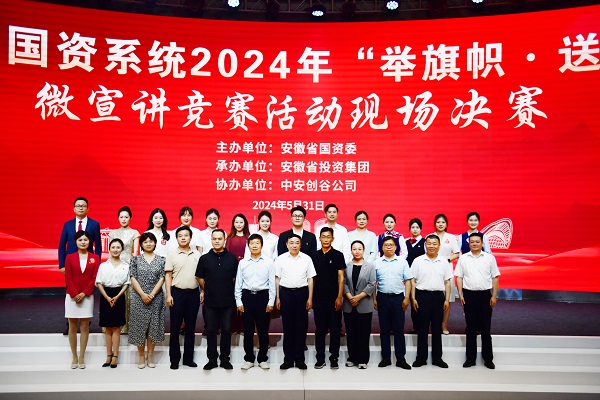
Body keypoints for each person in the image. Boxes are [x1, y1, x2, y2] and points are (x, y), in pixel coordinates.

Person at [455, 232, 500, 369]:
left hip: (485, 296)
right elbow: (459, 277)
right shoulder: (463, 258)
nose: (474, 244)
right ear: (469, 244)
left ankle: (488, 359)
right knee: (470, 328)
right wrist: (460, 294)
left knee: (486, 328)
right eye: (472, 242)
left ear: (482, 243)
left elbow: (495, 277)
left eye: (477, 242)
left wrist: (494, 296)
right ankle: (470, 359)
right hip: (468, 296)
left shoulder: (490, 258)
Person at [58, 197, 102, 335]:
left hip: (89, 263)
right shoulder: (67, 225)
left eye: (83, 205)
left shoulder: (94, 224)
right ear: (74, 208)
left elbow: (98, 246)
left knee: (87, 290)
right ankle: (70, 324)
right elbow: (61, 246)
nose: (81, 207)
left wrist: (97, 264)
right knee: (71, 290)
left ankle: (85, 321)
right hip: (71, 264)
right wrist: (61, 265)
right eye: (78, 205)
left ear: (88, 208)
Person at [196, 229, 239, 370]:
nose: (217, 241)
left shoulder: (232, 258)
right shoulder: (204, 258)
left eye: (220, 239)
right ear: (211, 240)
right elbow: (199, 277)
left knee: (226, 330)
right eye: (214, 239)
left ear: (224, 240)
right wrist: (207, 288)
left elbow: (235, 278)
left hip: (228, 301)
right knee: (211, 330)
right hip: (210, 301)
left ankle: (225, 359)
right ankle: (212, 360)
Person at [275, 234, 316, 370]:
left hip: (302, 294)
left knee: (301, 327)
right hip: (286, 294)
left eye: (297, 243)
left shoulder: (306, 259)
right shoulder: (280, 259)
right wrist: (278, 297)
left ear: (300, 245)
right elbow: (277, 279)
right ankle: (288, 359)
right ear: (287, 245)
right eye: (291, 243)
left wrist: (310, 298)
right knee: (287, 327)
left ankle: (299, 359)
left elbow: (310, 279)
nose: (294, 245)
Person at [234, 234, 276, 370]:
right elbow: (238, 283)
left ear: (261, 245)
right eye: (252, 243)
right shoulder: (243, 263)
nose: (254, 245)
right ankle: (249, 359)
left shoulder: (269, 262)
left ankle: (263, 358)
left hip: (263, 297)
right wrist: (239, 302)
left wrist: (271, 302)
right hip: (247, 297)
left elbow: (272, 284)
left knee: (263, 330)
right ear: (248, 246)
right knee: (248, 331)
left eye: (257, 243)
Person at [411, 234, 453, 368]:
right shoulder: (418, 261)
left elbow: (447, 282)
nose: (431, 246)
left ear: (439, 246)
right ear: (425, 245)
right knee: (422, 328)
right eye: (429, 243)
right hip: (421, 296)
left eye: (435, 244)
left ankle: (437, 358)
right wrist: (413, 298)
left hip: (438, 297)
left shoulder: (444, 262)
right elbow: (413, 281)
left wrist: (447, 299)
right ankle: (421, 358)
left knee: (437, 328)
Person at [373, 236, 412, 369]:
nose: (388, 247)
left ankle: (401, 359)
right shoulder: (377, 263)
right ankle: (386, 358)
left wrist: (406, 298)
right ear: (382, 248)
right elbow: (373, 283)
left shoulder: (402, 262)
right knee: (384, 330)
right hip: (382, 298)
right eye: (386, 245)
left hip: (398, 299)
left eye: (391, 245)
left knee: (399, 329)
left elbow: (408, 281)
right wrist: (374, 299)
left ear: (396, 247)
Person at [165, 226, 201, 369]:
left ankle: (188, 359)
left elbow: (201, 276)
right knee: (175, 327)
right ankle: (174, 360)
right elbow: (168, 276)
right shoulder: (172, 254)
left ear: (190, 238)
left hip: (193, 293)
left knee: (190, 328)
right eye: (180, 236)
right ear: (177, 238)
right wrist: (168, 294)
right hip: (177, 293)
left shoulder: (197, 254)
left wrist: (203, 291)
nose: (183, 238)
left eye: (186, 235)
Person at [64, 230, 100, 369]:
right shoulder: (70, 257)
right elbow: (68, 277)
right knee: (72, 327)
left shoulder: (95, 257)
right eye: (80, 240)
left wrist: (84, 293)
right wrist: (74, 294)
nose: (83, 242)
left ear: (89, 241)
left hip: (87, 296)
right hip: (72, 297)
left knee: (85, 326)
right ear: (75, 242)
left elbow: (94, 277)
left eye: (85, 240)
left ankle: (82, 357)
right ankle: (74, 356)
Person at [129, 232, 166, 369]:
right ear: (141, 244)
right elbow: (132, 277)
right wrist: (142, 294)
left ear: (155, 243)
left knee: (153, 327)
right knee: (139, 327)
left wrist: (151, 294)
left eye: (151, 241)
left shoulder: (162, 260)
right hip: (138, 297)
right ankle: (140, 356)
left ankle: (150, 355)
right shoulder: (135, 260)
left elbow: (162, 278)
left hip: (156, 298)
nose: (148, 244)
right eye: (145, 242)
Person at [311, 227, 345, 369]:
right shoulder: (314, 255)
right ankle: (320, 358)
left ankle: (334, 357)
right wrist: (310, 298)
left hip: (333, 299)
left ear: (332, 239)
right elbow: (311, 278)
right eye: (323, 236)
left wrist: (339, 297)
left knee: (335, 329)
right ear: (319, 239)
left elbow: (341, 278)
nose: (326, 239)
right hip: (318, 299)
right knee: (320, 329)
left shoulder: (338, 255)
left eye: (328, 236)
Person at [95, 238, 129, 369]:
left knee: (116, 328)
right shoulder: (103, 265)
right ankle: (108, 355)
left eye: (118, 247)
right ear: (109, 249)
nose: (115, 250)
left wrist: (117, 296)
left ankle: (115, 356)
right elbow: (99, 282)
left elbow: (127, 283)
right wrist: (108, 297)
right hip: (106, 296)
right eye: (113, 247)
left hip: (119, 295)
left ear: (122, 249)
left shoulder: (126, 266)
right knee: (107, 328)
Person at [343, 240, 376, 369]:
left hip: (364, 304)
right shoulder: (347, 266)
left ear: (363, 251)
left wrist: (358, 297)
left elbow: (372, 284)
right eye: (354, 249)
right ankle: (352, 358)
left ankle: (363, 360)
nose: (357, 251)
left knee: (363, 333)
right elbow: (343, 283)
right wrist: (350, 297)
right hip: (349, 304)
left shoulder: (370, 266)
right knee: (351, 333)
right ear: (351, 251)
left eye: (359, 249)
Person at [109, 206, 140, 334]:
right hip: (115, 265)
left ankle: (128, 326)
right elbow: (111, 251)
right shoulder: (113, 233)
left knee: (129, 295)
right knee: (115, 292)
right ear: (118, 218)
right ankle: (115, 324)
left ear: (130, 218)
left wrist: (133, 267)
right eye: (121, 217)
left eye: (126, 217)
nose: (123, 219)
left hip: (128, 265)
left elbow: (136, 252)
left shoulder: (135, 233)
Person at [432, 214, 460, 335]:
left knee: (447, 299)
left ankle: (444, 324)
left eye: (443, 222)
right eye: (438, 222)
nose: (440, 224)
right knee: (434, 298)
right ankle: (435, 324)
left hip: (447, 268)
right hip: (433, 268)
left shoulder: (451, 237)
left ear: (446, 224)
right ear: (435, 224)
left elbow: (457, 253)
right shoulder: (430, 236)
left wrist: (447, 260)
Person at [226, 213, 250, 334]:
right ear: (233, 224)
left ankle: (242, 327)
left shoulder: (249, 238)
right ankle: (233, 326)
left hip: (246, 271)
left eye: (241, 222)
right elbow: (227, 256)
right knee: (232, 300)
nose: (239, 224)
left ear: (245, 224)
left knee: (244, 299)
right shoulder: (229, 238)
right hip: (232, 271)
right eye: (236, 222)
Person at [406, 218, 425, 332]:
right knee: (411, 301)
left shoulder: (425, 242)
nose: (415, 229)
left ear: (421, 229)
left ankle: (422, 326)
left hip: (420, 276)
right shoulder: (406, 242)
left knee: (420, 300)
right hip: (408, 276)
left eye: (417, 227)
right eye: (413, 227)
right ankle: (415, 327)